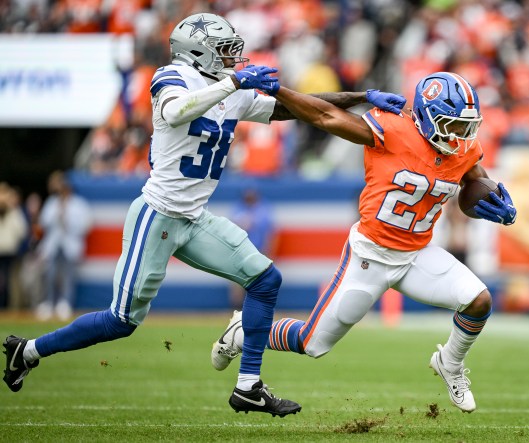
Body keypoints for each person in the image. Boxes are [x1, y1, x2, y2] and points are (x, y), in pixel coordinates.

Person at [2, 13, 406, 418]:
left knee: (265, 279)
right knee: (121, 321)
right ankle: (29, 350)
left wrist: (363, 97)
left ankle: (249, 386)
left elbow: (295, 109)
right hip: (157, 215)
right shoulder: (174, 77)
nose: (234, 58)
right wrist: (231, 84)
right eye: (225, 50)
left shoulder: (230, 87)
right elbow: (176, 111)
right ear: (198, 52)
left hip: (193, 217)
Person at [212, 71, 517, 413]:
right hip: (369, 256)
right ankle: (243, 330)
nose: (462, 135)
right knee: (312, 343)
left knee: (478, 301)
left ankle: (450, 362)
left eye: (466, 126)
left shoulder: (463, 148)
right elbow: (323, 115)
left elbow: (476, 187)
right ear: (429, 118)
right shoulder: (393, 129)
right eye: (454, 125)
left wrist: (497, 208)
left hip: (417, 254)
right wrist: (281, 91)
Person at [36, 171, 92, 321]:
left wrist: (67, 219)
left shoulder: (79, 204)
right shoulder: (52, 203)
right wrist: (58, 214)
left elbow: (86, 226)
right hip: (53, 245)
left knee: (68, 276)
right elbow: (43, 222)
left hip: (70, 245)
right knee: (50, 275)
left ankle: (65, 304)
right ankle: (48, 303)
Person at [229, 189, 276, 310]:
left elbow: (269, 233)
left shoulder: (263, 211)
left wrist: (269, 251)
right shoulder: (238, 209)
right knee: (238, 281)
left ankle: (257, 307)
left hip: (258, 251)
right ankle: (237, 307)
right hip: (240, 251)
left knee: (259, 281)